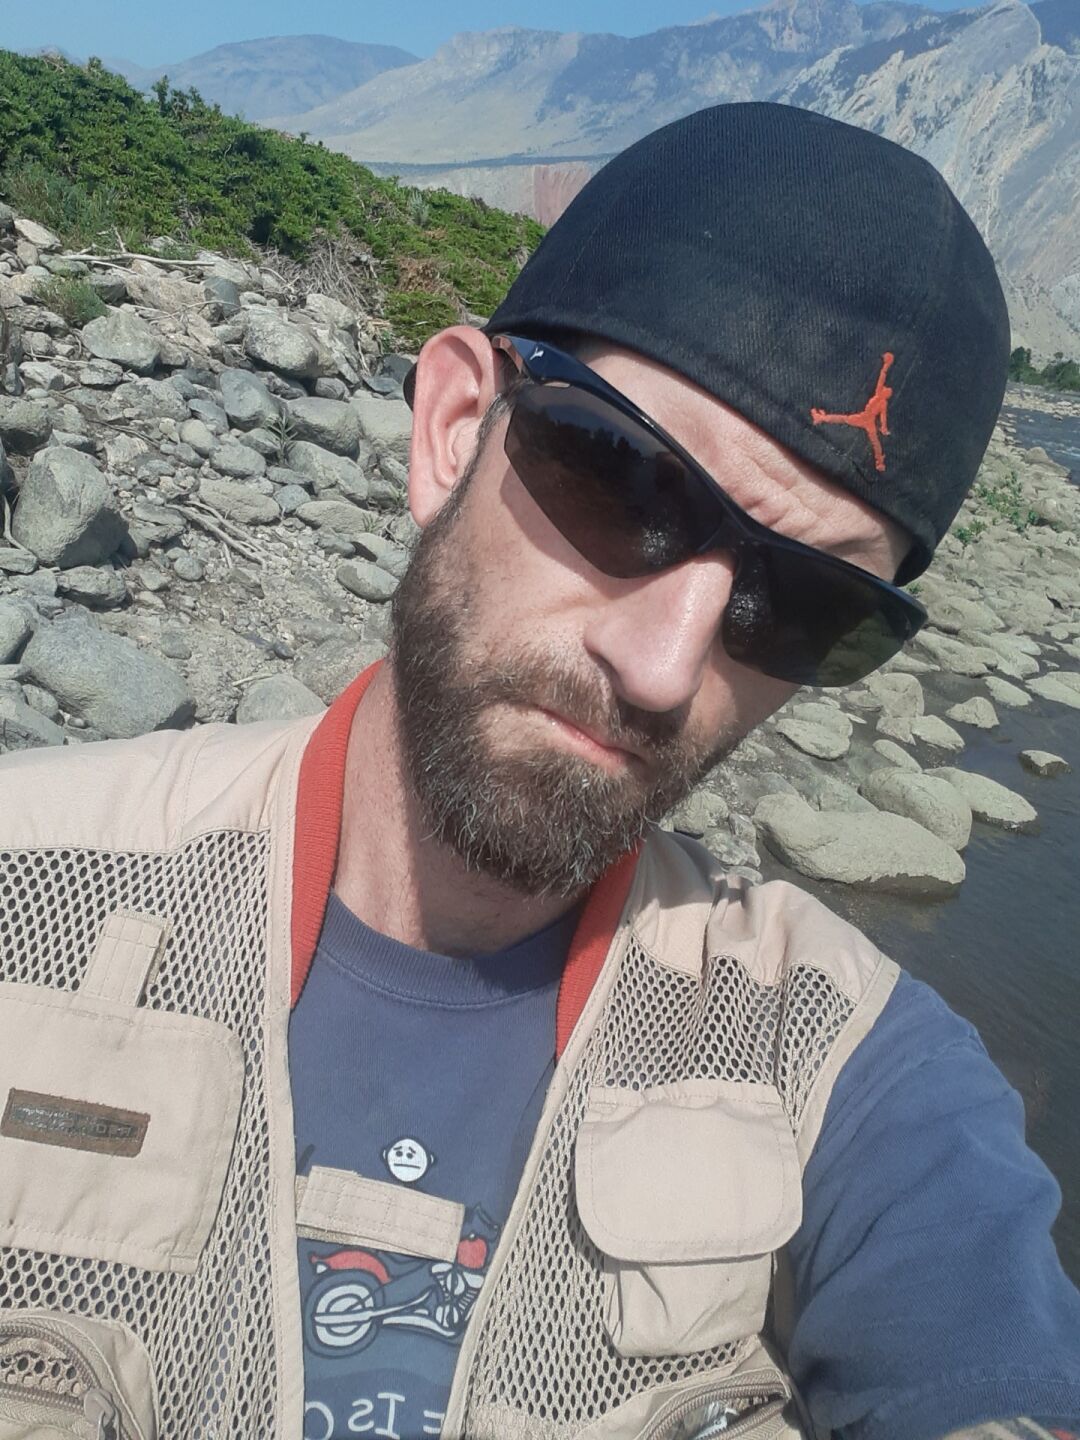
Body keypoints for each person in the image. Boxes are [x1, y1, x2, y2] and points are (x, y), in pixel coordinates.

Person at [0, 102, 1077, 1440]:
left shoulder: (851, 1065)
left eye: (806, 605)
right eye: (626, 483)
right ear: (455, 427)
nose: (665, 667)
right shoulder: (24, 891)